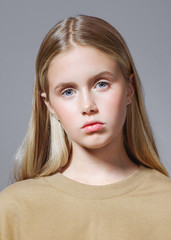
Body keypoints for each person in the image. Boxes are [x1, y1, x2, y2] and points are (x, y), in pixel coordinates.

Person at [0, 15, 171, 239]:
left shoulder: (166, 201)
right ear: (49, 105)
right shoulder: (13, 209)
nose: (88, 106)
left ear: (129, 90)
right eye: (68, 91)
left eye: (101, 84)